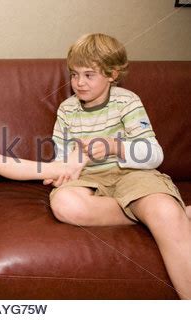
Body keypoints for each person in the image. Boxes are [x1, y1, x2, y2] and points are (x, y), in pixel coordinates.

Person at [45, 33, 191, 299]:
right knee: (65, 205)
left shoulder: (127, 101)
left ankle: (163, 214)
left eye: (89, 75)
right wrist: (61, 171)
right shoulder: (67, 109)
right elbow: (62, 157)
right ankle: (162, 215)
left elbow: (154, 154)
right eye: (74, 74)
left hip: (132, 175)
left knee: (162, 208)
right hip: (88, 178)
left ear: (112, 74)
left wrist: (116, 146)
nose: (79, 82)